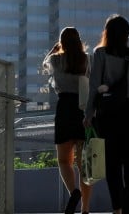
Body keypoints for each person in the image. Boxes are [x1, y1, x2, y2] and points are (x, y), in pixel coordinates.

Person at [85, 15, 129, 214]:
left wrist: (88, 114)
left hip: (106, 112)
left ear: (106, 33)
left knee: (112, 163)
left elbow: (94, 85)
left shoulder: (99, 53)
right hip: (128, 109)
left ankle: (118, 209)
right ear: (127, 34)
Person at [43, 28, 92, 214]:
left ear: (61, 42)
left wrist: (56, 48)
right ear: (79, 41)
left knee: (64, 160)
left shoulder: (55, 59)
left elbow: (44, 63)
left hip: (64, 109)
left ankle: (74, 192)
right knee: (84, 165)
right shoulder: (86, 59)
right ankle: (85, 210)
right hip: (83, 109)